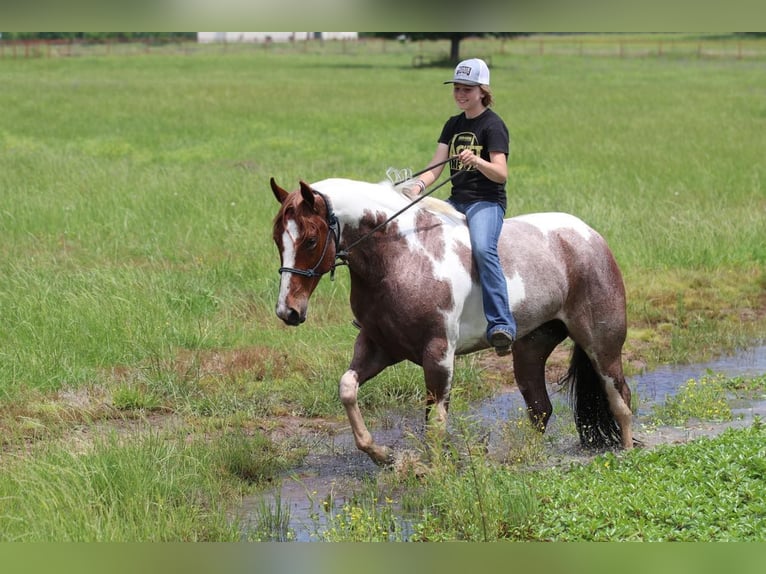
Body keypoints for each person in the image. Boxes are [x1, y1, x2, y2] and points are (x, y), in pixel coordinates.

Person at [407, 58, 516, 356]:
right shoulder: (453, 124)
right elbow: (435, 167)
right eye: (457, 88)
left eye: (467, 89)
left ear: (482, 90)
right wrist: (417, 186)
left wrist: (477, 161)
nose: (460, 94)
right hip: (456, 200)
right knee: (416, 233)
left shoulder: (493, 125)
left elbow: (501, 173)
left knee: (483, 249)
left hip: (486, 201)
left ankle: (501, 323)